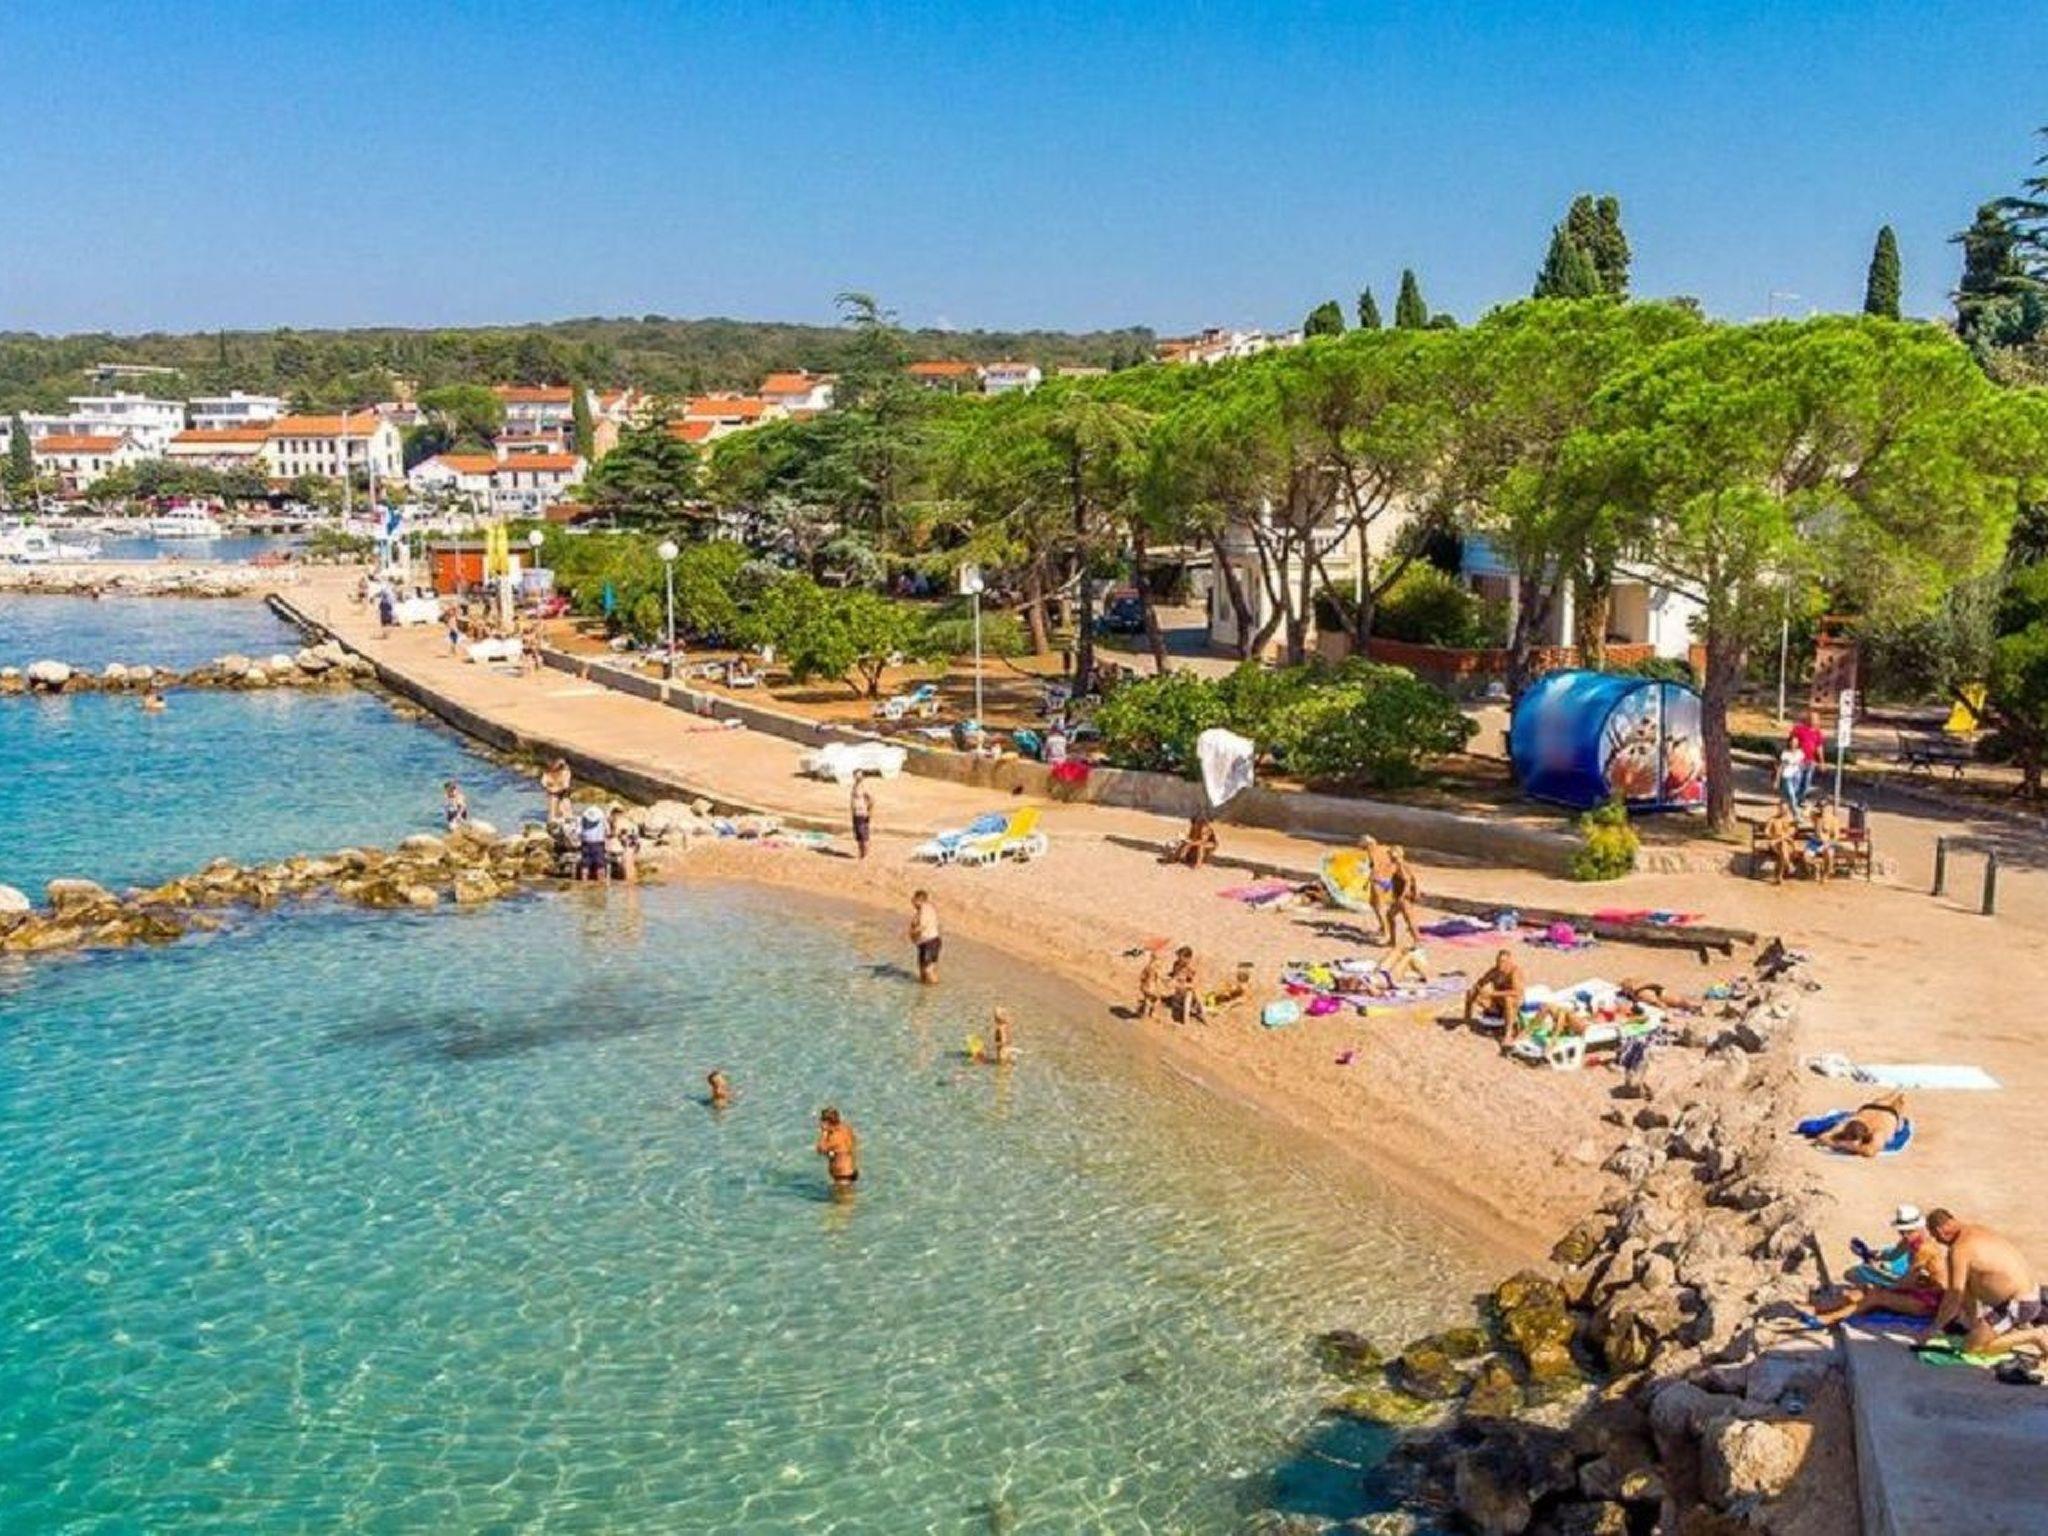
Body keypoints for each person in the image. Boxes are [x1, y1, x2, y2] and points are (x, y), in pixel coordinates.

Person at [1925, 1209, 2045, 1355]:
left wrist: (1932, 1329)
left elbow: (1954, 1297)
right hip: (2030, 1293)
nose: (1937, 1241)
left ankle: (2036, 1335)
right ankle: (1988, 1327)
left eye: (1935, 1236)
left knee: (1973, 1349)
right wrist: (1974, 1323)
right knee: (1976, 1330)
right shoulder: (1977, 1230)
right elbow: (1965, 1290)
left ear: (1940, 1231)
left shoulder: (1959, 1250)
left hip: (2017, 1305)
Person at [1811, 1206, 1949, 1324]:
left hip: (1932, 1300)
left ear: (1919, 1228)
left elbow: (1908, 1280)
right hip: (1921, 1287)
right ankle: (1820, 1310)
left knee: (1876, 1296)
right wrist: (1870, 1253)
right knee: (1864, 1291)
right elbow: (1892, 1255)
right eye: (1902, 1232)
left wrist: (1883, 1287)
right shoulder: (1910, 1240)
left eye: (1909, 1231)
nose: (1905, 1235)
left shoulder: (1924, 1249)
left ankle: (1828, 1318)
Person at [1816, 1092, 1908, 1158]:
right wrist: (1843, 1144)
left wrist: (1848, 1146)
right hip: (1869, 1108)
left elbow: (1871, 1152)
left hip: (1891, 1113)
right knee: (1883, 1100)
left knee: (1900, 1101)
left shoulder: (1878, 1132)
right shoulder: (1848, 1123)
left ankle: (1900, 1093)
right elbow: (1822, 1137)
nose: (1847, 1141)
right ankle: (1897, 1092)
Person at [1464, 950, 1526, 1041]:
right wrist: (1476, 989)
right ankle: (1466, 1022)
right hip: (1498, 1000)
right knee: (1471, 992)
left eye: (1503, 961)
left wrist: (1493, 994)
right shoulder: (1494, 971)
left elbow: (1517, 992)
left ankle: (1508, 1034)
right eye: (1498, 961)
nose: (1500, 964)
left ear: (1509, 961)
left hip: (1514, 1002)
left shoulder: (1514, 972)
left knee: (1508, 999)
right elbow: (1481, 982)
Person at [1385, 846, 1422, 948]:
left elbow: (1407, 881)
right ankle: (1393, 941)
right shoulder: (1401, 864)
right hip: (1402, 897)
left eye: (1390, 854)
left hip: (1403, 898)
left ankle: (1417, 942)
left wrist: (1402, 896)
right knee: (1391, 916)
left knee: (1408, 919)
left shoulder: (1400, 865)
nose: (1389, 856)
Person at [1360, 836, 1396, 941]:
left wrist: (1367, 882)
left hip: (1378, 881)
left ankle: (1385, 931)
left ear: (1368, 845)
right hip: (1388, 880)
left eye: (1364, 846)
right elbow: (1394, 863)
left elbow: (1374, 868)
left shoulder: (1372, 852)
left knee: (1378, 906)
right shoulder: (1385, 849)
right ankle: (1383, 927)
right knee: (1374, 903)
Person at [1789, 709, 1826, 808]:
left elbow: (1819, 747)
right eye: (1812, 718)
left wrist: (1822, 762)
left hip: (1810, 762)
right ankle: (1793, 800)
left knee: (1806, 783)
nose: (1814, 721)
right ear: (1808, 719)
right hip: (1799, 761)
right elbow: (1794, 741)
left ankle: (1801, 800)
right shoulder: (1799, 729)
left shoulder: (1817, 733)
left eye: (1816, 719)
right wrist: (1793, 754)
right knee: (1796, 781)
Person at [816, 1106, 859, 1191]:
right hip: (850, 1171)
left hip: (842, 1176)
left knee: (843, 1199)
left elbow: (820, 1149)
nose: (820, 1124)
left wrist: (824, 1133)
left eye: (822, 1121)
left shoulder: (834, 1137)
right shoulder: (846, 1129)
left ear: (827, 1122)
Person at [1761, 804, 1804, 885]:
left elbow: (1791, 833)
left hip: (1788, 844)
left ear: (1788, 810)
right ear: (1779, 809)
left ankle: (1779, 877)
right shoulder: (1772, 819)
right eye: (1782, 809)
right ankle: (1788, 865)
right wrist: (1773, 836)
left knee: (1783, 847)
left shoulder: (1790, 821)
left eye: (1785, 809)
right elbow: (1766, 832)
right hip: (1775, 845)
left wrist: (1780, 838)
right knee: (1783, 847)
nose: (1783, 811)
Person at [1166, 945, 1206, 1024]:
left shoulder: (1190, 968)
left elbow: (1194, 984)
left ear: (1188, 959)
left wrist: (1183, 984)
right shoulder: (1176, 964)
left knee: (1189, 999)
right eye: (1179, 957)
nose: (1179, 960)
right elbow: (1174, 974)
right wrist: (1170, 978)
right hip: (1178, 989)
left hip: (1188, 991)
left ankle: (1187, 1020)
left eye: (1181, 958)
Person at [909, 890, 941, 985]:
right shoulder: (922, 910)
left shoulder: (925, 909)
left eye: (913, 899)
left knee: (928, 969)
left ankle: (933, 990)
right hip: (925, 943)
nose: (912, 902)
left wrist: (911, 933)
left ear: (919, 900)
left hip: (930, 942)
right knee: (922, 970)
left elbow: (922, 926)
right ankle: (925, 991)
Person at [575, 804, 610, 883]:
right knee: (600, 864)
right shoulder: (602, 818)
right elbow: (608, 831)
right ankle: (600, 882)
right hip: (598, 843)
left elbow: (578, 832)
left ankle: (584, 882)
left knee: (585, 864)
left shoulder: (583, 819)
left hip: (586, 843)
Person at [1775, 737, 1808, 813]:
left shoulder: (1800, 753)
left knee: (1792, 795)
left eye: (1796, 742)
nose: (1794, 744)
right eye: (1792, 742)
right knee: (1791, 795)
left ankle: (1784, 809)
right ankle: (1796, 814)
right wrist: (1777, 780)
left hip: (1797, 777)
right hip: (1787, 776)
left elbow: (1803, 765)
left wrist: (1802, 766)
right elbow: (1780, 767)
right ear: (1789, 743)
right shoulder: (1785, 754)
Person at [1135, 949, 1169, 1020]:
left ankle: (1146, 1012)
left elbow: (1142, 976)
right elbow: (1160, 977)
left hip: (1147, 986)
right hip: (1153, 987)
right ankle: (1151, 1013)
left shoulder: (1148, 966)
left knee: (1148, 999)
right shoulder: (1157, 968)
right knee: (1155, 1000)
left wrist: (1142, 982)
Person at [608, 806, 640, 882]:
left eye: (613, 814)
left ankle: (628, 882)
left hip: (628, 844)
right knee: (630, 864)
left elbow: (616, 833)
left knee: (626, 864)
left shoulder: (619, 822)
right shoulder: (628, 821)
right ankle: (633, 882)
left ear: (615, 814)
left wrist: (610, 835)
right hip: (633, 844)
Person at [849, 771, 875, 861]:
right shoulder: (854, 786)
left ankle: (865, 856)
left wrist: (869, 812)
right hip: (855, 813)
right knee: (858, 835)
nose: (858, 777)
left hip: (862, 813)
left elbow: (871, 799)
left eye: (859, 775)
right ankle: (861, 854)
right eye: (856, 775)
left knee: (863, 835)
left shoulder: (864, 787)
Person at [541, 759, 573, 824]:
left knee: (565, 805)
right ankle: (554, 821)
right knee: (553, 804)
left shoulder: (565, 772)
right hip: (553, 793)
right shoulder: (546, 774)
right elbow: (544, 784)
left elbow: (565, 786)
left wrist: (555, 789)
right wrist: (551, 789)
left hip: (563, 793)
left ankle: (567, 820)